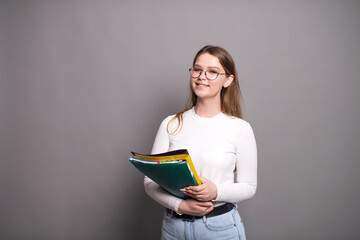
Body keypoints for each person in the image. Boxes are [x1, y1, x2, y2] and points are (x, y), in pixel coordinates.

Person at [144, 45, 257, 240]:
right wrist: (179, 205)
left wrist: (216, 191)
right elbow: (149, 182)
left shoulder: (240, 128)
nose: (201, 76)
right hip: (173, 229)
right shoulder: (170, 124)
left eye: (212, 72)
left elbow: (249, 187)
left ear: (228, 80)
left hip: (220, 230)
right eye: (197, 69)